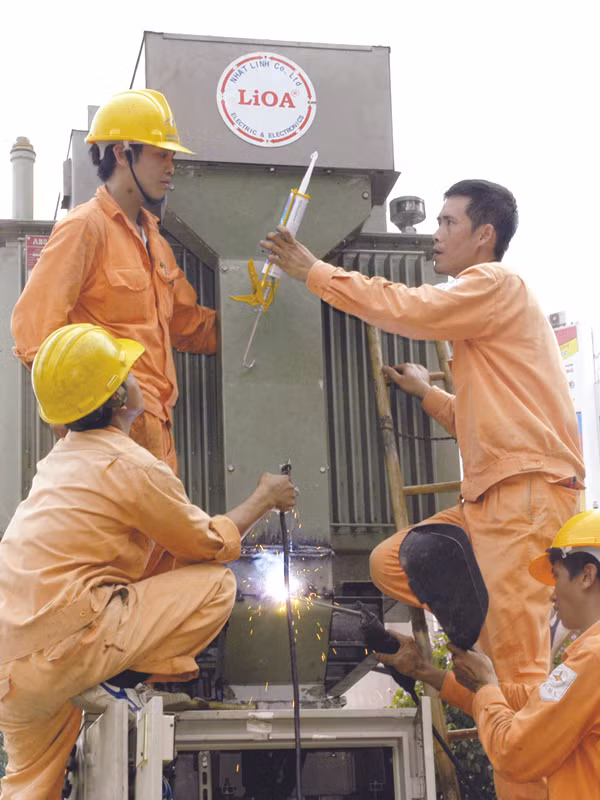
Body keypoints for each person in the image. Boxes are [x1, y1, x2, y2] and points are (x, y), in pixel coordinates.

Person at [260, 179, 584, 799]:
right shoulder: (489, 313)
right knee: (392, 562)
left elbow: (409, 309)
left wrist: (313, 271)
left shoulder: (494, 283)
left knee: (519, 677)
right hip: (492, 499)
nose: (435, 235)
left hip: (523, 500)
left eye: (447, 222)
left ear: (484, 236)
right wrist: (428, 393)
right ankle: (486, 645)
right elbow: (487, 420)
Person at [0, 323, 295, 799]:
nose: (139, 376)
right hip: (67, 648)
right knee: (216, 584)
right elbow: (206, 545)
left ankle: (98, 679)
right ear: (120, 397)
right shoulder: (131, 465)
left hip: (10, 669)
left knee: (29, 788)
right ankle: (115, 681)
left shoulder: (58, 464)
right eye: (129, 371)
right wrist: (264, 498)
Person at [11, 89, 214, 474]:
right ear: (122, 154)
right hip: (109, 429)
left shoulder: (156, 242)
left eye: (171, 157)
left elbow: (188, 324)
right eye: (161, 154)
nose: (171, 167)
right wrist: (77, 420)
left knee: (161, 518)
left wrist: (257, 320)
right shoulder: (85, 228)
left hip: (156, 426)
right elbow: (33, 332)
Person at [376, 511, 600, 799]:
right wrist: (425, 671)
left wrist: (486, 686)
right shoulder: (590, 662)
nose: (552, 594)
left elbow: (515, 753)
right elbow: (529, 701)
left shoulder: (592, 660)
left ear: (587, 576)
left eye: (556, 576)